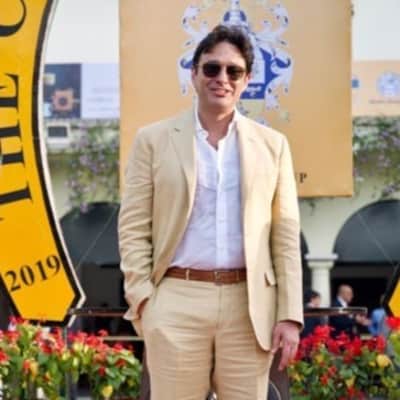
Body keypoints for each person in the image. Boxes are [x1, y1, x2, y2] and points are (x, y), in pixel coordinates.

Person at [118, 24, 303, 400]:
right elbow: (134, 226)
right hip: (176, 299)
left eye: (234, 71)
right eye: (212, 68)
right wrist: (145, 301)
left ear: (247, 80)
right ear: (194, 73)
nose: (222, 78)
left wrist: (289, 314)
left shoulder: (273, 146)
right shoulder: (152, 140)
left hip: (249, 306)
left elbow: (284, 236)